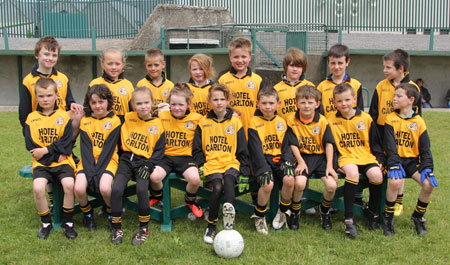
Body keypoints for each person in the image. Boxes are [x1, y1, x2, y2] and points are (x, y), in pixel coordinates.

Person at [20, 36, 84, 211]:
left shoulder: (62, 78)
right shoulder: (28, 80)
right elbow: (23, 114)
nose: (50, 58)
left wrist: (74, 106)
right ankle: (52, 198)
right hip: (41, 128)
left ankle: (67, 150)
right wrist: (30, 137)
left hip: (60, 127)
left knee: (79, 114)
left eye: (53, 55)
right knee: (46, 164)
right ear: (37, 55)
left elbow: (69, 100)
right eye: (46, 54)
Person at [193, 83, 250, 244]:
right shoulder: (203, 122)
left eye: (222, 99)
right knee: (217, 187)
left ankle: (228, 224)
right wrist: (201, 164)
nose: (219, 103)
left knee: (230, 183)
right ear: (209, 101)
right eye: (215, 99)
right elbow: (196, 148)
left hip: (230, 162)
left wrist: (245, 173)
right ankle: (211, 226)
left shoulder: (236, 122)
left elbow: (242, 149)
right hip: (212, 164)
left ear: (228, 101)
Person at [327, 83, 384, 239]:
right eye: (339, 101)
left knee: (377, 175)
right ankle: (349, 218)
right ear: (334, 102)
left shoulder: (365, 118)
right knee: (352, 173)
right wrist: (334, 164)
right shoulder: (330, 120)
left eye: (347, 100)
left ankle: (373, 212)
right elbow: (329, 145)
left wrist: (379, 159)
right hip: (346, 157)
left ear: (354, 99)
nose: (344, 104)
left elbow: (375, 142)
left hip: (365, 156)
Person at [110, 86, 165, 245]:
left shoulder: (158, 124)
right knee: (117, 189)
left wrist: (149, 165)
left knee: (141, 190)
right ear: (133, 105)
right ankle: (116, 227)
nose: (143, 106)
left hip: (144, 162)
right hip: (126, 161)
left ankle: (143, 228)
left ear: (152, 102)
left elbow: (160, 151)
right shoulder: (128, 117)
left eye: (146, 102)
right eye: (139, 103)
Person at [369, 49, 421, 216]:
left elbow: (416, 117)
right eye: (384, 67)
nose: (384, 71)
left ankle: (398, 200)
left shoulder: (412, 88)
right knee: (383, 167)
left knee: (399, 165)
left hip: (401, 135)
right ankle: (378, 203)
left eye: (388, 67)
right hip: (382, 133)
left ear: (401, 68)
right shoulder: (380, 85)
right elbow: (373, 113)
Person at [24, 77, 77, 239]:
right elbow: (31, 146)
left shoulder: (63, 116)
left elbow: (67, 143)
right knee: (38, 188)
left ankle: (68, 223)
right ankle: (46, 223)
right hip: (42, 163)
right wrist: (53, 154)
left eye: (48, 95)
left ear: (56, 95)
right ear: (36, 97)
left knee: (69, 185)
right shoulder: (31, 118)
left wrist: (46, 150)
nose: (45, 99)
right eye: (41, 96)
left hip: (63, 161)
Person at [383, 83, 437, 236]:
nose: (394, 98)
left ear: (411, 100)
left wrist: (427, 166)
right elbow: (390, 145)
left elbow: (425, 148)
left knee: (428, 185)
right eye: (394, 95)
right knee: (395, 182)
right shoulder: (390, 118)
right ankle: (388, 218)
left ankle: (418, 217)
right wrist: (393, 163)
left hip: (411, 162)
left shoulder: (419, 121)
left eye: (399, 96)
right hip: (395, 161)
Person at [283, 85, 338, 230]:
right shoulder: (291, 119)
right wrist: (300, 162)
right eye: (303, 102)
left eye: (310, 102)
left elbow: (329, 144)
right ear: (296, 103)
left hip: (320, 158)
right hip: (302, 157)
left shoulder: (322, 121)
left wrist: (330, 166)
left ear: (317, 104)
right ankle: (295, 212)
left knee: (332, 186)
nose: (306, 106)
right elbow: (292, 144)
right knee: (300, 183)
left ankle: (325, 211)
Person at [151, 83, 204, 217]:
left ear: (188, 104)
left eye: (181, 105)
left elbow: (214, 120)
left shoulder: (197, 119)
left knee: (195, 180)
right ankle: (157, 195)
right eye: (173, 104)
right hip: (166, 157)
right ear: (168, 103)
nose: (177, 108)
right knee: (154, 176)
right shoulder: (162, 116)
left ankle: (190, 199)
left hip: (185, 157)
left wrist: (232, 114)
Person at [74, 84, 121, 231]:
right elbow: (86, 149)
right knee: (79, 188)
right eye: (93, 102)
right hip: (87, 162)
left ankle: (110, 212)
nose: (98, 106)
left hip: (108, 161)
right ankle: (87, 215)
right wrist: (90, 171)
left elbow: (108, 150)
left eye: (101, 101)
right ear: (89, 104)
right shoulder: (85, 121)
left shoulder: (115, 121)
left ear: (108, 102)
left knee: (105, 188)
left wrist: (96, 172)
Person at [247, 87, 294, 235]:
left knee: (290, 179)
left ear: (278, 104)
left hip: (278, 159)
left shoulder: (281, 122)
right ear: (257, 104)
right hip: (261, 160)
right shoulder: (253, 122)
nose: (268, 106)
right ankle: (259, 215)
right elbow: (255, 150)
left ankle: (283, 210)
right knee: (268, 184)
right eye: (264, 103)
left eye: (271, 103)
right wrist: (263, 168)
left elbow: (286, 146)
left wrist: (287, 161)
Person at [218, 37, 264, 138]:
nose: (240, 60)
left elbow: (262, 106)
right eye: (236, 57)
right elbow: (217, 105)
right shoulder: (223, 80)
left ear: (250, 57)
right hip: (229, 130)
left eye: (244, 56)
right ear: (230, 57)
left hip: (252, 130)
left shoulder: (257, 80)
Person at [317, 43, 364, 119]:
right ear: (328, 63)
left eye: (340, 63)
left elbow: (360, 112)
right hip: (329, 128)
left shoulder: (356, 85)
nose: (336, 67)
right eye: (333, 63)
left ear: (347, 62)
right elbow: (319, 114)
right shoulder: (321, 86)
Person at [89, 48, 134, 121]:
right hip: (100, 125)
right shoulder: (94, 83)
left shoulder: (128, 85)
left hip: (122, 125)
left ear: (122, 64)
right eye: (110, 64)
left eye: (117, 64)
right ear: (102, 64)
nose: (114, 67)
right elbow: (88, 108)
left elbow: (132, 111)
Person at [274, 47, 315, 121]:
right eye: (292, 65)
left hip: (304, 129)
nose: (295, 69)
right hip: (284, 129)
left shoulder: (310, 86)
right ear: (286, 66)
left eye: (298, 66)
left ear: (303, 68)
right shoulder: (276, 88)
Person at [136, 48, 174, 113]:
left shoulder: (170, 85)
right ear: (145, 65)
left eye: (156, 65)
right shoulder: (141, 84)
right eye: (149, 65)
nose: (153, 68)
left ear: (163, 64)